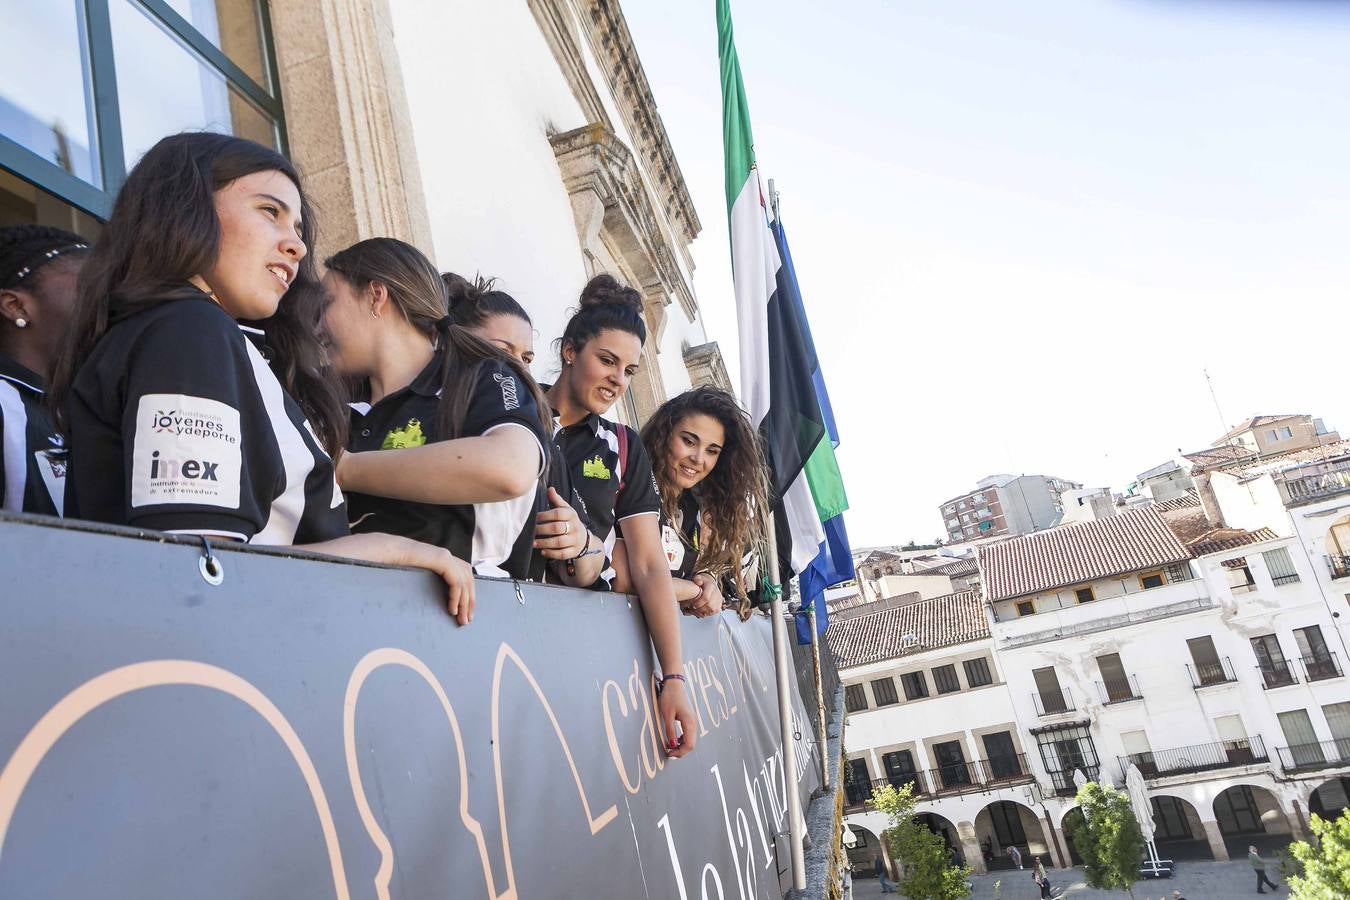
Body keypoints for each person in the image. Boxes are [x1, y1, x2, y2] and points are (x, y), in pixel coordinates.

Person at [51, 132, 475, 623]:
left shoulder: (206, 335)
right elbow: (200, 573)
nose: (296, 245)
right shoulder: (187, 331)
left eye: (297, 226)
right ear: (185, 209)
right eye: (269, 211)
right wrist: (392, 550)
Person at [318, 240, 549, 581]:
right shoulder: (333, 399)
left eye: (326, 302)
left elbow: (511, 468)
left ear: (375, 296)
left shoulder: (482, 375)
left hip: (457, 615)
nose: (317, 322)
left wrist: (346, 469)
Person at [544, 273, 696, 758]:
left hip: (588, 643)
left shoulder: (624, 446)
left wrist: (672, 677)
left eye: (629, 370)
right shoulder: (514, 407)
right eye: (607, 360)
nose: (617, 380)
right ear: (570, 350)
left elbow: (651, 566)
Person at [439, 271, 604, 587]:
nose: (516, 366)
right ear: (456, 341)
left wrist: (580, 542)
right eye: (502, 349)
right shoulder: (422, 414)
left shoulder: (540, 441)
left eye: (526, 357)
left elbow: (589, 571)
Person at [615, 385, 769, 620]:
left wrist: (706, 580)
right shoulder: (630, 485)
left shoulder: (692, 508)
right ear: (663, 435)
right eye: (688, 441)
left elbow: (676, 576)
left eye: (712, 451)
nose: (698, 459)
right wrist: (693, 592)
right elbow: (622, 574)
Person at [0, 225, 88, 515]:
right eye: (90, 286)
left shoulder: (87, 408)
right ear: (15, 306)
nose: (107, 302)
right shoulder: (5, 404)